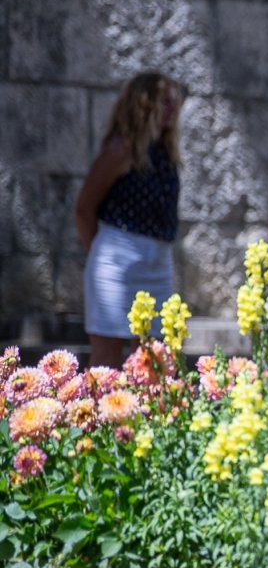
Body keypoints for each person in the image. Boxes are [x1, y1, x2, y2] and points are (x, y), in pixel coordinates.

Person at [75, 72, 185, 366]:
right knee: (106, 363)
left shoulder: (165, 152)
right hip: (117, 262)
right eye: (165, 102)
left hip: (158, 263)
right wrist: (99, 258)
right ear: (144, 105)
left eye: (175, 103)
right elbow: (84, 208)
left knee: (156, 362)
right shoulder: (121, 149)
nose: (173, 110)